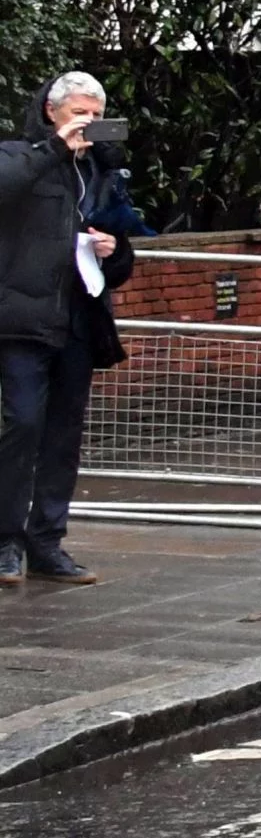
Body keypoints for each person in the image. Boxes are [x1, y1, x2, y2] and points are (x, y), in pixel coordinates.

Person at [0, 72, 135, 588]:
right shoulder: (22, 154)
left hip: (80, 316)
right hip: (24, 316)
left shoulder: (102, 171)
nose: (89, 124)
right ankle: (5, 541)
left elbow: (124, 255)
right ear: (53, 111)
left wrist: (114, 249)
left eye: (97, 117)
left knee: (64, 433)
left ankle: (47, 542)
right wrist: (56, 147)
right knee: (23, 422)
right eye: (80, 113)